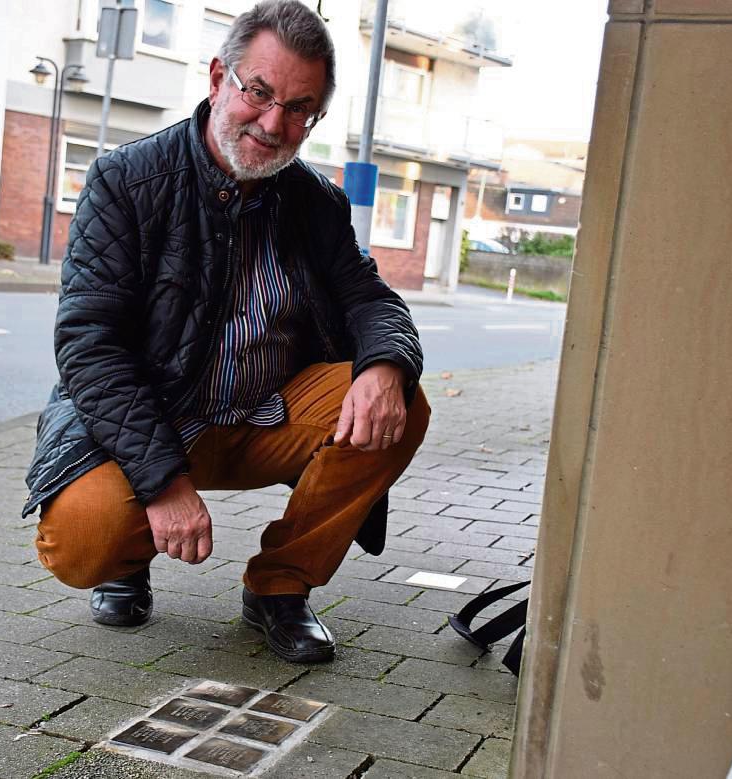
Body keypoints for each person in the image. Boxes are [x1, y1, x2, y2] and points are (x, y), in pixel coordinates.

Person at [23, 0, 429, 664]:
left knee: (402, 402)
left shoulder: (314, 201)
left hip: (263, 416)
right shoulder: (126, 182)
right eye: (259, 93)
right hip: (152, 423)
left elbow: (369, 297)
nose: (274, 123)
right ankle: (128, 559)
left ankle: (280, 585)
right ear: (218, 77)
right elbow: (88, 346)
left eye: (299, 108)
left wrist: (385, 365)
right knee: (83, 541)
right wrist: (162, 483)